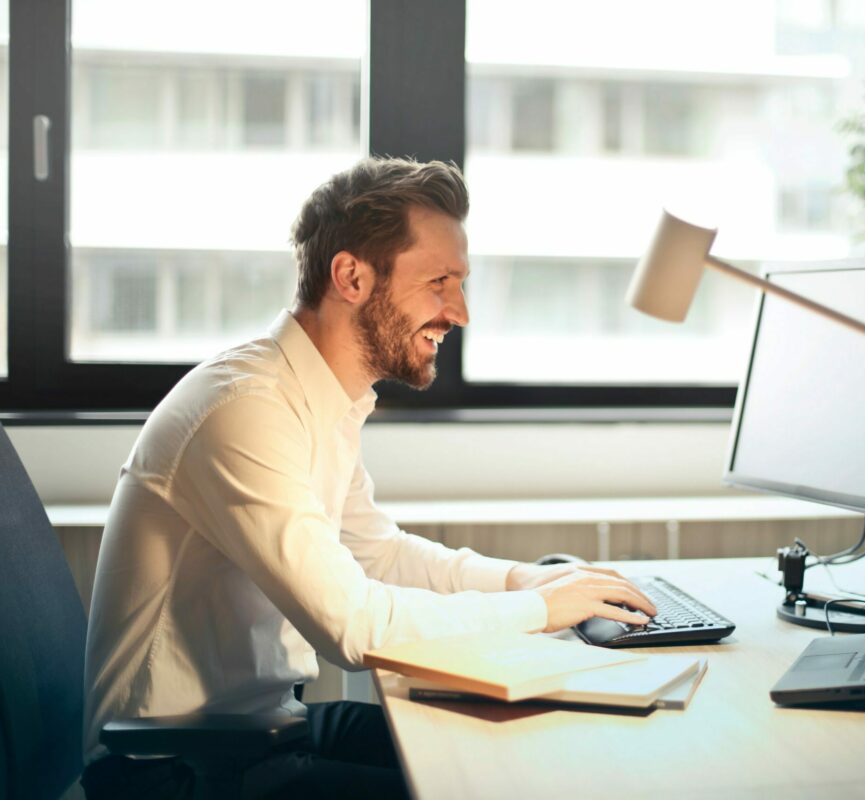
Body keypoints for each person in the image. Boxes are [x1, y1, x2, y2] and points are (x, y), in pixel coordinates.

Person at [81, 157, 658, 799]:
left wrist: (523, 579)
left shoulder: (320, 398)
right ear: (351, 276)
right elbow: (354, 628)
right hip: (174, 769)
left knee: (528, 751)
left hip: (263, 733)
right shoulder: (244, 410)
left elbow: (376, 554)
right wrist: (541, 609)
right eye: (440, 281)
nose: (460, 312)